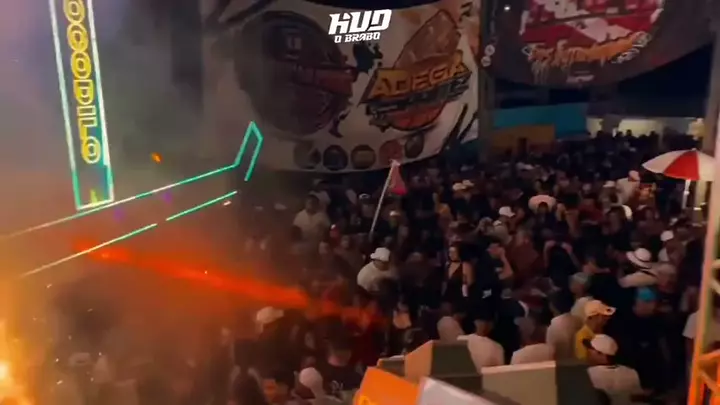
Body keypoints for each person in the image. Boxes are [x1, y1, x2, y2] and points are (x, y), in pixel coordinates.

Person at [585, 335, 643, 401]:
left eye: (591, 348)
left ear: (600, 354)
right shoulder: (631, 373)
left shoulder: (588, 374)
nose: (588, 351)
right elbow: (637, 398)